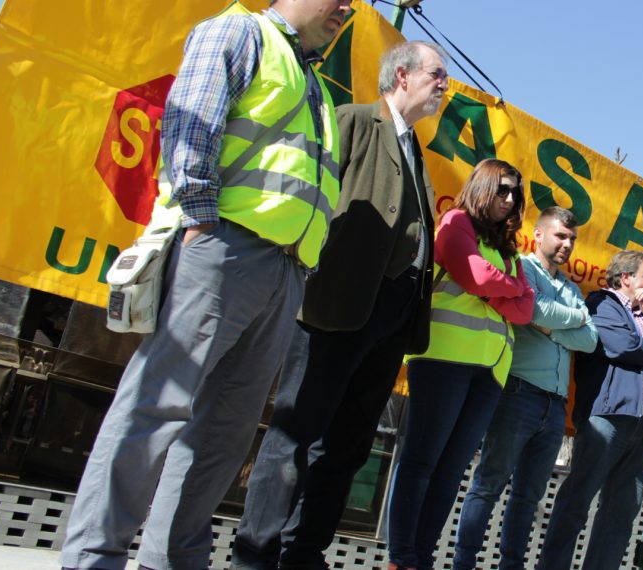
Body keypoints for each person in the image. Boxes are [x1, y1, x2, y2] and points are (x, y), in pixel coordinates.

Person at [61, 1, 348, 569]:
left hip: (284, 272)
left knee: (223, 432)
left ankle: (172, 560)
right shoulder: (241, 31)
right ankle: (93, 558)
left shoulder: (311, 78)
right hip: (223, 249)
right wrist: (197, 216)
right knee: (156, 407)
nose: (347, 8)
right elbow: (193, 119)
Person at [230, 39, 449, 570]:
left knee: (348, 446)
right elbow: (317, 197)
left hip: (391, 321)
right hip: (338, 307)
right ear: (401, 76)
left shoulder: (415, 149)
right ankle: (255, 555)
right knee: (295, 435)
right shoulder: (351, 121)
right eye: (436, 74)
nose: (445, 85)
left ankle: (303, 552)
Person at [387, 158, 535, 570]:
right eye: (502, 189)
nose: (509, 199)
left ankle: (421, 556)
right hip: (443, 358)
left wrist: (501, 288)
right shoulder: (456, 221)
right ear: (483, 185)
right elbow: (476, 277)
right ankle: (401, 557)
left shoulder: (510, 248)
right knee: (420, 461)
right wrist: (509, 289)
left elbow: (526, 311)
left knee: (451, 471)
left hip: (490, 371)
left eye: (515, 193)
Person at [451, 206, 598, 570]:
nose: (567, 244)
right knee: (489, 483)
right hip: (517, 392)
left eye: (572, 239)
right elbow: (533, 311)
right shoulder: (521, 267)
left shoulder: (573, 287)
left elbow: (591, 340)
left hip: (555, 404)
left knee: (528, 497)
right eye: (561, 236)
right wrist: (575, 318)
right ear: (537, 234)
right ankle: (462, 563)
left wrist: (554, 325)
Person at [538, 250, 643, 570]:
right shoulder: (601, 303)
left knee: (622, 511)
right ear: (626, 277)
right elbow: (622, 346)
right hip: (607, 416)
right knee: (578, 499)